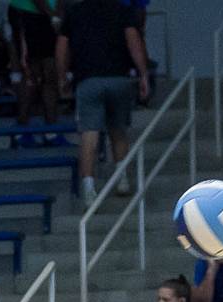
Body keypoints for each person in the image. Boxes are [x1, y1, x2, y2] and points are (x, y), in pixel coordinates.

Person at [56, 0, 149, 205]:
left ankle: (89, 188)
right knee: (118, 130)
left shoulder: (75, 12)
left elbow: (62, 46)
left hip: (87, 80)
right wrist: (143, 74)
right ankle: (122, 178)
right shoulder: (122, 10)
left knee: (89, 133)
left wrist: (62, 77)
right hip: (118, 78)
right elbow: (133, 40)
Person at [9, 0, 62, 146]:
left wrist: (57, 14)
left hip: (47, 16)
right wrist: (54, 16)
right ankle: (21, 130)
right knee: (31, 74)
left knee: (51, 73)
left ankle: (52, 131)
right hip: (27, 14)